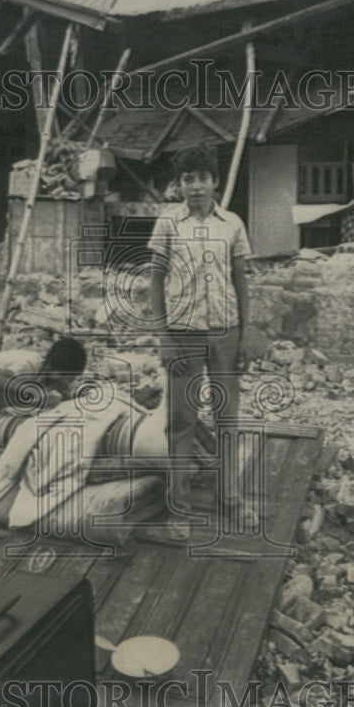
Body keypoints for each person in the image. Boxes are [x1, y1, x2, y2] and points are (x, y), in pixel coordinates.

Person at [148, 144, 251, 510]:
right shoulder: (168, 223)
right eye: (188, 179)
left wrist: (245, 336)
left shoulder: (233, 224)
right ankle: (179, 504)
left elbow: (240, 280)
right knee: (181, 421)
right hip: (182, 335)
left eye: (203, 178)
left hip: (226, 332)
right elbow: (155, 281)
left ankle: (229, 496)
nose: (195, 186)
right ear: (179, 185)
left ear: (216, 182)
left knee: (228, 417)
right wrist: (163, 337)